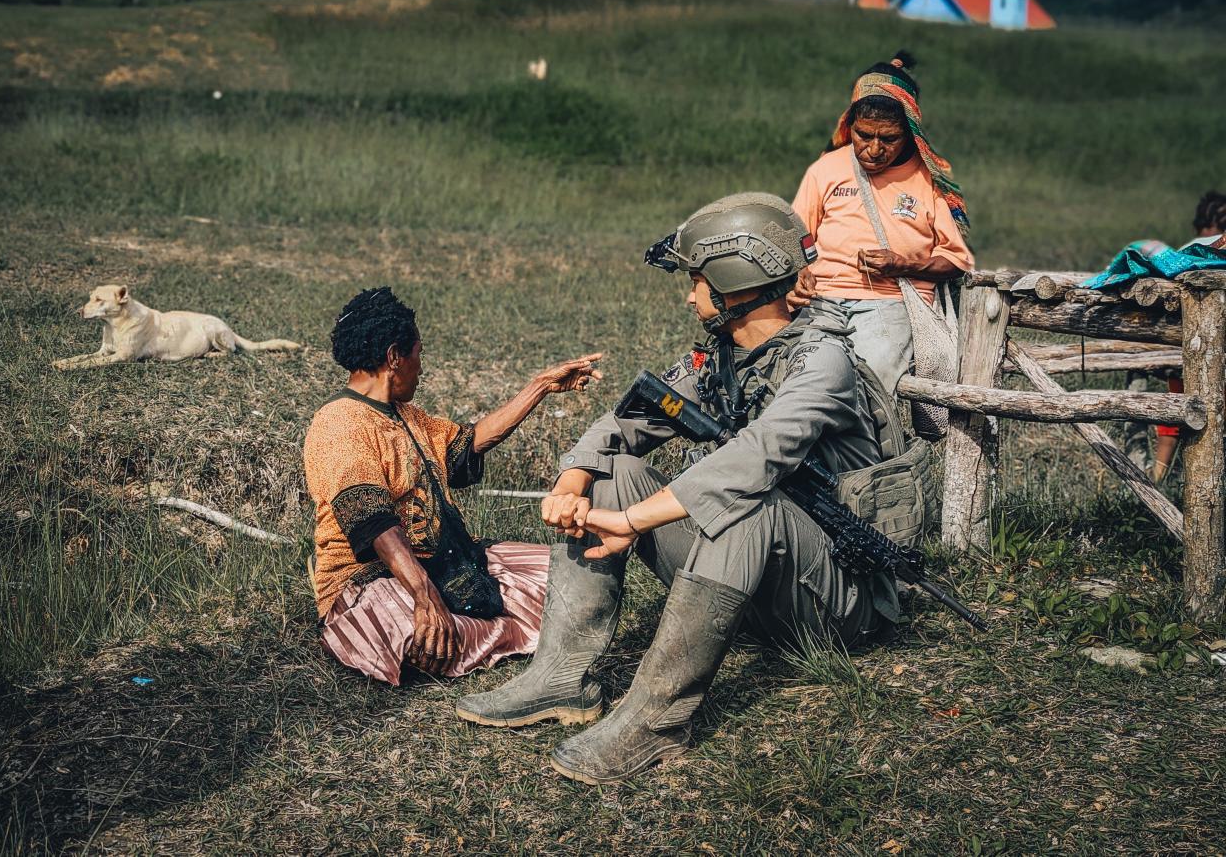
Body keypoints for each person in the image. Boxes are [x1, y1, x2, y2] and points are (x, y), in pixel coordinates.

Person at [456, 194, 913, 785]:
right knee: (611, 473)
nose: (689, 295)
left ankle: (656, 721)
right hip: (757, 589)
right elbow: (625, 424)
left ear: (734, 281)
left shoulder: (823, 363)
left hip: (835, 602)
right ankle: (562, 677)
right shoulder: (725, 357)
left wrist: (634, 521)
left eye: (696, 281)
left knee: (748, 504)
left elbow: (757, 457)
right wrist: (574, 480)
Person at [304, 286, 603, 685]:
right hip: (372, 578)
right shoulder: (340, 423)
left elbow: (471, 442)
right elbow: (373, 522)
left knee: (575, 574)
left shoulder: (408, 415)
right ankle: (489, 629)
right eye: (418, 354)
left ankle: (485, 628)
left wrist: (541, 387)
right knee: (412, 637)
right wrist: (424, 596)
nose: (421, 367)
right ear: (395, 357)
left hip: (444, 562)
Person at [789, 51, 974, 393]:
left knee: (865, 384)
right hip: (821, 301)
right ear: (850, 125)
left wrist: (902, 264)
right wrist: (798, 274)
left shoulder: (931, 180)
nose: (873, 149)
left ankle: (863, 445)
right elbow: (795, 240)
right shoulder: (824, 170)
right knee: (800, 379)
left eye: (888, 139)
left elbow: (957, 261)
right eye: (863, 135)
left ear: (911, 132)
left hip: (892, 304)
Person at [1139, 190, 1226, 480]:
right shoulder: (1217, 249)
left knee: (1172, 421)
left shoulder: (1188, 248)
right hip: (1214, 346)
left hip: (1179, 344)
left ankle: (1157, 481)